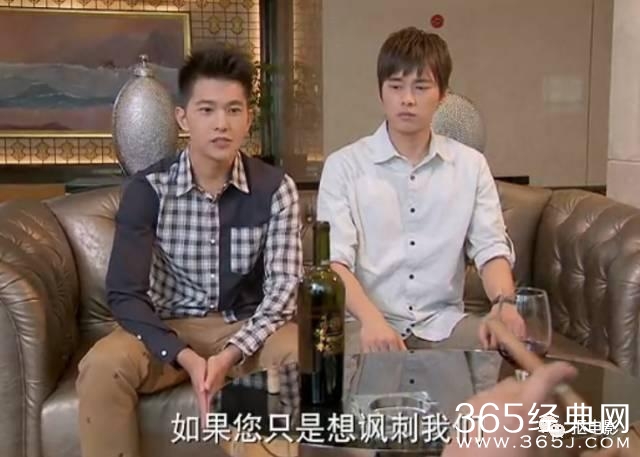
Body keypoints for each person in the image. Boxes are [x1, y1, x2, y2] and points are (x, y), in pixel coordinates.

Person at [76, 45, 302, 457]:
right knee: (103, 366)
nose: (221, 124)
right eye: (207, 110)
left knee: (300, 353)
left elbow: (284, 290)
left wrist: (232, 354)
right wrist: (183, 355)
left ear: (248, 119)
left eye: (233, 110)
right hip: (169, 328)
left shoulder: (275, 189)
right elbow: (125, 292)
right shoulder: (149, 189)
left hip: (247, 327)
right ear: (183, 118)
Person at [316, 26, 523, 355]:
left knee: (501, 348)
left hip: (445, 323)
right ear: (380, 92)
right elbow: (335, 262)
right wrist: (372, 321)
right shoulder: (344, 166)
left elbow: (490, 248)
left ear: (442, 96)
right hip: (366, 323)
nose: (407, 99)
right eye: (396, 86)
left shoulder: (470, 166)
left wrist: (504, 304)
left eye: (421, 87)